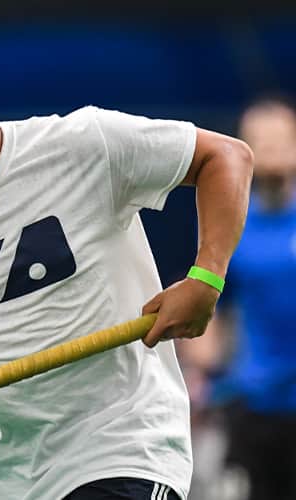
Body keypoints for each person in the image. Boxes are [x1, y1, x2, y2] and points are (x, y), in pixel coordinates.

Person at [0, 10, 254, 500]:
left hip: (128, 446)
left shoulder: (84, 145)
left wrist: (206, 279)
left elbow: (226, 157)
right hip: (19, 476)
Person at [179, 96, 296, 500]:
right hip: (253, 405)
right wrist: (201, 366)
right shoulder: (231, 225)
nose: (273, 151)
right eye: (261, 142)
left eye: (282, 140)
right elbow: (213, 310)